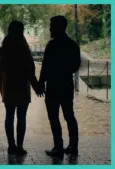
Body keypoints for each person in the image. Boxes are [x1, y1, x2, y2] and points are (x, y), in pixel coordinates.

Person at [38, 15, 81, 158]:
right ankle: (73, 146)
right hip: (66, 85)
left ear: (58, 27)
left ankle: (58, 147)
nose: (50, 28)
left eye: (51, 26)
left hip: (53, 87)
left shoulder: (52, 45)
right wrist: (65, 70)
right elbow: (76, 66)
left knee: (54, 117)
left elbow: (45, 67)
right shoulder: (72, 45)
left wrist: (40, 83)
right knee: (69, 116)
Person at [0, 21, 42, 156]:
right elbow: (30, 69)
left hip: (9, 86)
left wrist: (2, 89)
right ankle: (20, 146)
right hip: (22, 86)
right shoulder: (24, 48)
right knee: (21, 117)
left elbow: (2, 70)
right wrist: (36, 86)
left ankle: (11, 145)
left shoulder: (3, 48)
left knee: (9, 116)